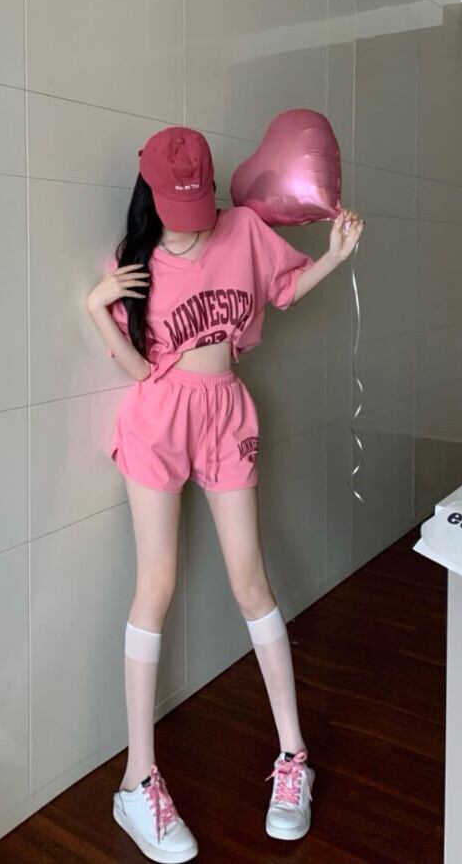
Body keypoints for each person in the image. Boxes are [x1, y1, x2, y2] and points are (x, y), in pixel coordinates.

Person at [86, 125, 364, 863]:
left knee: (251, 582)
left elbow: (286, 288)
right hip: (159, 418)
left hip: (227, 412)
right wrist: (96, 307)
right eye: (175, 208)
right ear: (151, 195)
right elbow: (139, 369)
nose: (191, 221)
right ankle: (137, 782)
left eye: (196, 204)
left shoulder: (241, 229)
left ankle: (293, 758)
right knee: (157, 585)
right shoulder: (135, 259)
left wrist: (334, 257)